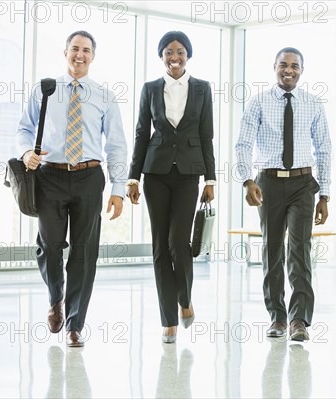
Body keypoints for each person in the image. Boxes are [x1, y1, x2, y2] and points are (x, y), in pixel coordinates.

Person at [15, 31, 128, 347]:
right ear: (65, 52)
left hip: (89, 178)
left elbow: (117, 144)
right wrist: (27, 153)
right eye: (75, 49)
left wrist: (118, 189)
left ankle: (75, 324)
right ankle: (56, 298)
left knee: (84, 252)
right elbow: (23, 129)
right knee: (49, 245)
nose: (80, 55)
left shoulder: (104, 96)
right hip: (50, 176)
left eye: (86, 50)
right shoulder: (45, 90)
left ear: (93, 56)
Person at [235, 47, 331, 341]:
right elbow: (243, 144)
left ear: (302, 70)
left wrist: (325, 195)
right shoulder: (258, 102)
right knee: (272, 249)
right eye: (283, 65)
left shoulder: (313, 104)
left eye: (295, 66)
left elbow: (324, 149)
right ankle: (277, 316)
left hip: (303, 183)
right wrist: (247, 180)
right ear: (274, 67)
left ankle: (298, 319)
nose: (289, 70)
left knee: (300, 250)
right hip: (269, 184)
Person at [127, 31, 215, 344]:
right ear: (161, 56)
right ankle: (168, 318)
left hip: (189, 174)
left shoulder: (203, 89)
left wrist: (211, 179)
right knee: (159, 246)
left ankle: (185, 298)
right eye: (168, 52)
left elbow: (207, 136)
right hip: (155, 173)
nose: (174, 57)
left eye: (179, 51)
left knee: (180, 242)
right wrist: (133, 176)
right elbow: (141, 133)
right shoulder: (150, 89)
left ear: (188, 55)